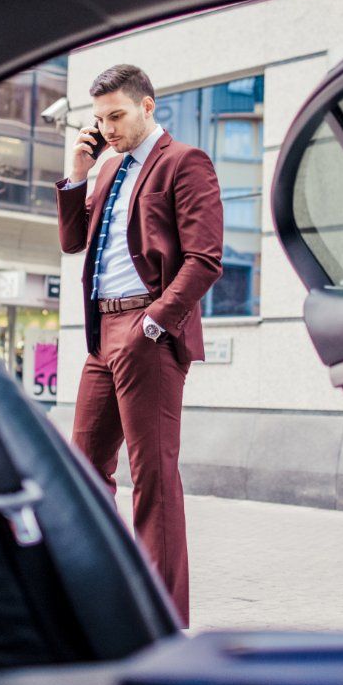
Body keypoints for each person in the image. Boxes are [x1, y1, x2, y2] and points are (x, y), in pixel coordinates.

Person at [55, 64, 223, 626]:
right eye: (100, 120)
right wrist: (77, 172)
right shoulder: (105, 171)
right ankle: (105, 597)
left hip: (146, 333)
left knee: (152, 477)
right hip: (103, 337)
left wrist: (155, 323)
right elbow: (73, 242)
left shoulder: (183, 162)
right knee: (83, 469)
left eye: (117, 116)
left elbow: (204, 259)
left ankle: (165, 620)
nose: (109, 129)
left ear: (148, 106)